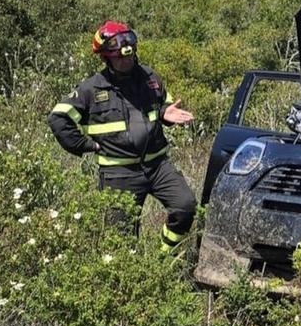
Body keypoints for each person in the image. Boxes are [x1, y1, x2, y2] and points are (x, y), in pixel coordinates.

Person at [48, 21, 197, 252]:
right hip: (118, 174)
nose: (126, 60)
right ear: (105, 58)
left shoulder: (150, 77)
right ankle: (133, 277)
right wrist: (84, 145)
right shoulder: (91, 89)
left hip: (158, 166)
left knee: (185, 206)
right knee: (122, 241)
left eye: (129, 55)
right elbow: (58, 118)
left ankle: (163, 259)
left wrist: (165, 113)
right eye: (119, 57)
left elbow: (163, 104)